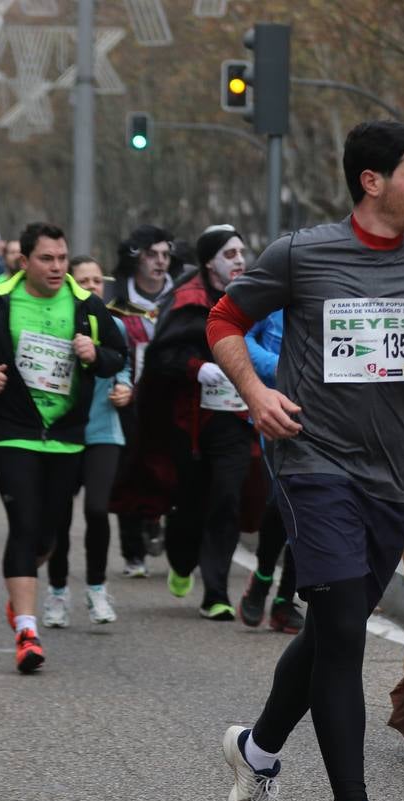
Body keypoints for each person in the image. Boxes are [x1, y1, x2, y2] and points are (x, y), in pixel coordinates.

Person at [205, 120, 404, 801]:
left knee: (334, 629)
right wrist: (256, 391)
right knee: (344, 635)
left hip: (393, 477)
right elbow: (223, 320)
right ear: (372, 181)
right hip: (312, 463)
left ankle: (256, 752)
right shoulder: (302, 252)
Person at [0, 222, 126, 673]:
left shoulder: (87, 304)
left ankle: (20, 597)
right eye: (46, 259)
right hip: (14, 429)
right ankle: (27, 630)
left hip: (67, 435)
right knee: (24, 525)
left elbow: (117, 353)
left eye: (61, 258)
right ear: (24, 260)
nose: (55, 267)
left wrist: (94, 354)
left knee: (49, 533)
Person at [135, 224, 256, 621]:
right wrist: (197, 367)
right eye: (230, 254)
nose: (239, 260)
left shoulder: (256, 294)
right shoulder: (187, 299)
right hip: (190, 423)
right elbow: (160, 359)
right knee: (190, 501)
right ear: (209, 262)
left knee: (227, 498)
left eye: (241, 253)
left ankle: (216, 593)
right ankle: (181, 558)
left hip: (237, 419)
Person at [41, 256, 130, 628]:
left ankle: (96, 588)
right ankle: (58, 592)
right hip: (63, 431)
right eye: (85, 280)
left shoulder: (116, 325)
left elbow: (123, 365)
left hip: (103, 430)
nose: (93, 287)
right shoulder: (56, 322)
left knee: (96, 509)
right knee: (58, 515)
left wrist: (126, 388)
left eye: (98, 280)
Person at [107, 224, 175, 577]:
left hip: (171, 397)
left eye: (165, 255)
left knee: (166, 467)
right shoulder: (114, 299)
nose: (160, 262)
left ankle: (156, 520)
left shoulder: (181, 297)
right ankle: (132, 551)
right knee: (128, 470)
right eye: (152, 254)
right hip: (126, 399)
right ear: (135, 257)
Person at [238, 306, 304, 633]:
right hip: (275, 411)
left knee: (308, 506)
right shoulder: (278, 285)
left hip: (327, 413)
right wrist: (277, 365)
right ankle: (263, 577)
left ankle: (284, 600)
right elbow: (241, 338)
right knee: (282, 500)